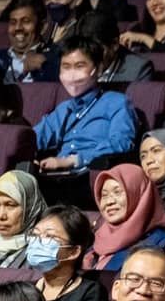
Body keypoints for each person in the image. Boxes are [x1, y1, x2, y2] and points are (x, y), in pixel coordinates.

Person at [32, 39, 137, 194]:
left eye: (79, 66)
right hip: (56, 179)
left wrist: (72, 160)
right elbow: (33, 137)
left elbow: (122, 142)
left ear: (99, 68)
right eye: (66, 67)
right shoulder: (63, 109)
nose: (71, 73)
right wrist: (27, 153)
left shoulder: (116, 102)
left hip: (92, 176)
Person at [30, 206, 118, 301]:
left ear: (73, 252)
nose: (38, 243)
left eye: (50, 237)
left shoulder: (90, 293)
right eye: (35, 235)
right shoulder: (25, 290)